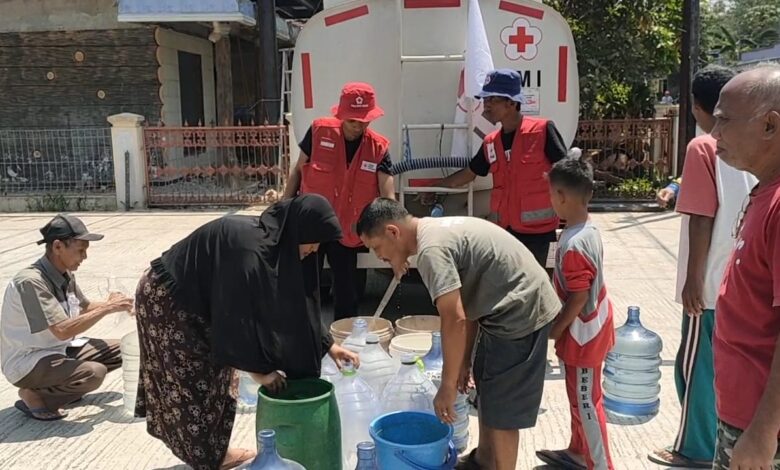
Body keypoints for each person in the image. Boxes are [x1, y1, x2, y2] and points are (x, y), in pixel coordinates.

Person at [134, 194, 359, 470]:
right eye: (313, 241)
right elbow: (237, 318)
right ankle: (206, 460)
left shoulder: (278, 247)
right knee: (191, 385)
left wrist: (329, 345)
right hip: (170, 299)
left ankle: (214, 455)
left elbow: (296, 304)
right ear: (298, 230)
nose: (314, 250)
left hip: (203, 304)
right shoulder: (251, 252)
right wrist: (259, 372)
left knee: (219, 383)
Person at [356, 198, 561, 470]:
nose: (378, 256)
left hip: (520, 311)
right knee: (488, 392)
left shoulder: (431, 251)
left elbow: (454, 319)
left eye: (377, 247)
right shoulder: (431, 231)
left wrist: (447, 386)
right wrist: (464, 361)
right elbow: (468, 305)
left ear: (393, 232)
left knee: (503, 411)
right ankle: (485, 461)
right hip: (501, 309)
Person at [649, 65, 757, 468]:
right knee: (730, 368)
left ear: (696, 107)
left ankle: (692, 448)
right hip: (745, 277)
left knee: (694, 369)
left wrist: (693, 281)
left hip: (711, 283)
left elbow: (701, 217)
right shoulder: (757, 147)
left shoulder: (703, 147)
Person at [707, 65, 780, 469]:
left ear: (770, 125)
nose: (714, 133)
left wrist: (764, 432)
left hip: (760, 426)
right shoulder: (764, 192)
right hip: (742, 414)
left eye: (724, 121)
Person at [424, 69, 569, 267]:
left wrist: (573, 219)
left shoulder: (542, 131)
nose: (486, 105)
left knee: (534, 287)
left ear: (511, 102)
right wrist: (438, 187)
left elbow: (569, 174)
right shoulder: (491, 142)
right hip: (506, 231)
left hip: (538, 235)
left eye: (492, 99)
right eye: (485, 99)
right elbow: (470, 173)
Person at [0, 214, 133, 421]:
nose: (84, 257)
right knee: (93, 373)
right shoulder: (30, 282)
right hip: (29, 360)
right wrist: (108, 308)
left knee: (126, 348)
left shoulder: (64, 274)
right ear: (58, 247)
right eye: (80, 250)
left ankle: (62, 388)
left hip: (57, 350)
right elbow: (62, 331)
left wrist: (118, 304)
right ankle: (35, 395)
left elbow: (84, 307)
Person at [283, 82, 395, 321]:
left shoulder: (378, 148)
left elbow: (388, 194)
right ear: (342, 115)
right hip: (311, 227)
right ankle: (304, 341)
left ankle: (345, 343)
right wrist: (283, 208)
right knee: (304, 289)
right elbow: (297, 172)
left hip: (346, 231)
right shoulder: (318, 131)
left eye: (364, 121)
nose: (358, 126)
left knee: (347, 294)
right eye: (353, 121)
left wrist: (394, 235)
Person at [536, 158, 615, 470]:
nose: (550, 200)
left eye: (551, 195)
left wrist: (554, 330)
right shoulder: (585, 229)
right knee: (579, 398)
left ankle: (600, 463)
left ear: (561, 197)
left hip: (585, 336)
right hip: (590, 330)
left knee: (587, 403)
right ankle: (577, 451)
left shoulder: (575, 244)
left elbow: (579, 296)